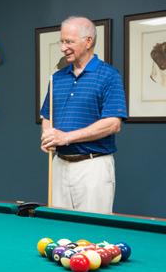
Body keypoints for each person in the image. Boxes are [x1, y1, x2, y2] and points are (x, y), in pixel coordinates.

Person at [40, 16, 127, 214]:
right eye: (61, 41)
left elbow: (113, 123)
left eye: (69, 41)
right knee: (59, 230)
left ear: (88, 41)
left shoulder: (109, 75)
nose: (63, 47)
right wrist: (48, 136)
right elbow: (47, 116)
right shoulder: (57, 78)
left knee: (93, 233)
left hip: (93, 166)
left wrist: (66, 137)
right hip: (59, 165)